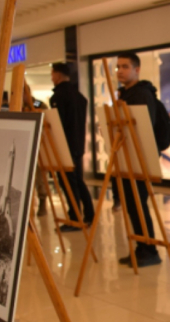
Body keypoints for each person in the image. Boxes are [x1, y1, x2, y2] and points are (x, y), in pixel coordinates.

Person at [115, 52, 162, 267]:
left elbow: (145, 127)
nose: (120, 70)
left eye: (125, 66)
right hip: (127, 158)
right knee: (131, 205)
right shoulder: (124, 94)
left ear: (137, 69)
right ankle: (140, 247)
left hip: (140, 158)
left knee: (139, 203)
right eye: (118, 67)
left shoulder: (142, 94)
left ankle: (149, 250)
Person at [49, 62, 94, 231]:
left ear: (58, 75)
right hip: (77, 144)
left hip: (64, 146)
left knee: (69, 182)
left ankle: (75, 218)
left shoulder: (59, 97)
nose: (52, 78)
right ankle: (89, 214)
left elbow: (58, 125)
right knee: (77, 180)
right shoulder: (78, 96)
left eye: (53, 75)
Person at [24, 83, 50, 217]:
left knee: (41, 177)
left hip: (40, 147)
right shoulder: (18, 106)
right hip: (25, 146)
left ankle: (42, 203)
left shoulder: (40, 105)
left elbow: (48, 121)